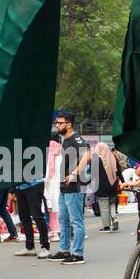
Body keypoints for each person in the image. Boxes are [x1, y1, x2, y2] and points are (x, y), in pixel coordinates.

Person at [52, 111, 91, 264]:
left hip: (75, 187)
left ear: (69, 124)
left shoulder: (76, 139)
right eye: (56, 123)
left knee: (76, 221)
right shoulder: (65, 140)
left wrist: (74, 173)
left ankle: (78, 254)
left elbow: (87, 155)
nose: (57, 125)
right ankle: (64, 250)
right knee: (63, 219)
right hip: (64, 187)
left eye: (60, 123)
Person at [13, 170, 51, 259]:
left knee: (36, 215)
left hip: (34, 184)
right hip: (20, 186)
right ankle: (30, 247)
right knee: (24, 216)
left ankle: (45, 247)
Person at [94, 140, 121, 232]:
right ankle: (114, 219)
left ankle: (106, 226)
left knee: (104, 206)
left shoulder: (97, 159)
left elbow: (93, 174)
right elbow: (119, 172)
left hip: (102, 186)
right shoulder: (113, 158)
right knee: (112, 203)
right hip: (113, 185)